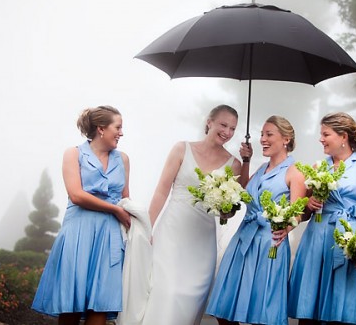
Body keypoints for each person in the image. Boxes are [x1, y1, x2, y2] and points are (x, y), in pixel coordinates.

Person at [141, 105, 242, 325]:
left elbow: (227, 215)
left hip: (203, 240)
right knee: (165, 292)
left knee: (190, 298)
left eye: (233, 128)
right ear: (209, 122)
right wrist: (147, 227)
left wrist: (226, 209)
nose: (227, 132)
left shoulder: (234, 165)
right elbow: (161, 191)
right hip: (172, 233)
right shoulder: (181, 149)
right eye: (223, 124)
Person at [32, 106, 131, 325]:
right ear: (101, 129)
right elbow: (76, 195)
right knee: (71, 303)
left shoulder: (122, 159)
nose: (121, 133)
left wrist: (140, 226)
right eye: (118, 127)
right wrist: (115, 209)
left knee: (101, 303)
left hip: (109, 237)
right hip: (79, 233)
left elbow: (126, 201)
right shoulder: (74, 153)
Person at [206, 115, 306, 325]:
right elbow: (243, 192)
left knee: (264, 310)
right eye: (262, 134)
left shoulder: (295, 172)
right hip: (243, 239)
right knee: (224, 304)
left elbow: (298, 212)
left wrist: (284, 228)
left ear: (286, 139)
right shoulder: (261, 168)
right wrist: (246, 161)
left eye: (269, 134)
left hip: (269, 244)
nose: (263, 139)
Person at [288, 112, 356, 325]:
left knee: (346, 309)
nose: (321, 139)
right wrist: (308, 205)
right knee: (310, 311)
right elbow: (302, 214)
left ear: (343, 137)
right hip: (317, 241)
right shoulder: (317, 168)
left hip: (349, 239)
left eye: (325, 134)